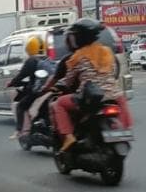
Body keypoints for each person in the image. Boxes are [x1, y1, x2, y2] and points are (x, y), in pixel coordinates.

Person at [50, 19, 123, 152]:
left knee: (58, 103)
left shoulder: (78, 56)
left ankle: (68, 136)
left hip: (90, 97)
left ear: (79, 37)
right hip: (112, 95)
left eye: (73, 36)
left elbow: (68, 80)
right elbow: (115, 72)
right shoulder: (108, 51)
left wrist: (57, 87)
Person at [6, 36, 53, 139]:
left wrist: (11, 83)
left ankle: (19, 131)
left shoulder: (31, 61)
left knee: (21, 106)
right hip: (51, 89)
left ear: (30, 48)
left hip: (38, 90)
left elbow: (21, 75)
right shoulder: (48, 59)